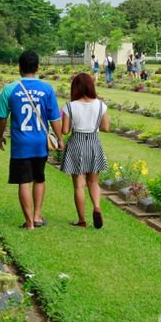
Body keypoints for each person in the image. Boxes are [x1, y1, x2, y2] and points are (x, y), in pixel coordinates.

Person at [0, 50, 64, 230]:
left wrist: (0, 135)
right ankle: (38, 215)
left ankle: (29, 222)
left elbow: (2, 117)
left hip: (21, 144)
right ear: (38, 68)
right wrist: (60, 138)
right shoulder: (47, 89)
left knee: (23, 181)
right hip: (41, 142)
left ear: (19, 68)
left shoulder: (9, 89)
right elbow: (54, 118)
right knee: (39, 178)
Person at [60, 73, 109, 229]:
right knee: (94, 182)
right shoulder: (101, 105)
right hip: (94, 142)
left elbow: (65, 130)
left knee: (79, 185)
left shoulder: (70, 106)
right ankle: (96, 206)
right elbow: (106, 127)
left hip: (77, 142)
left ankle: (81, 220)